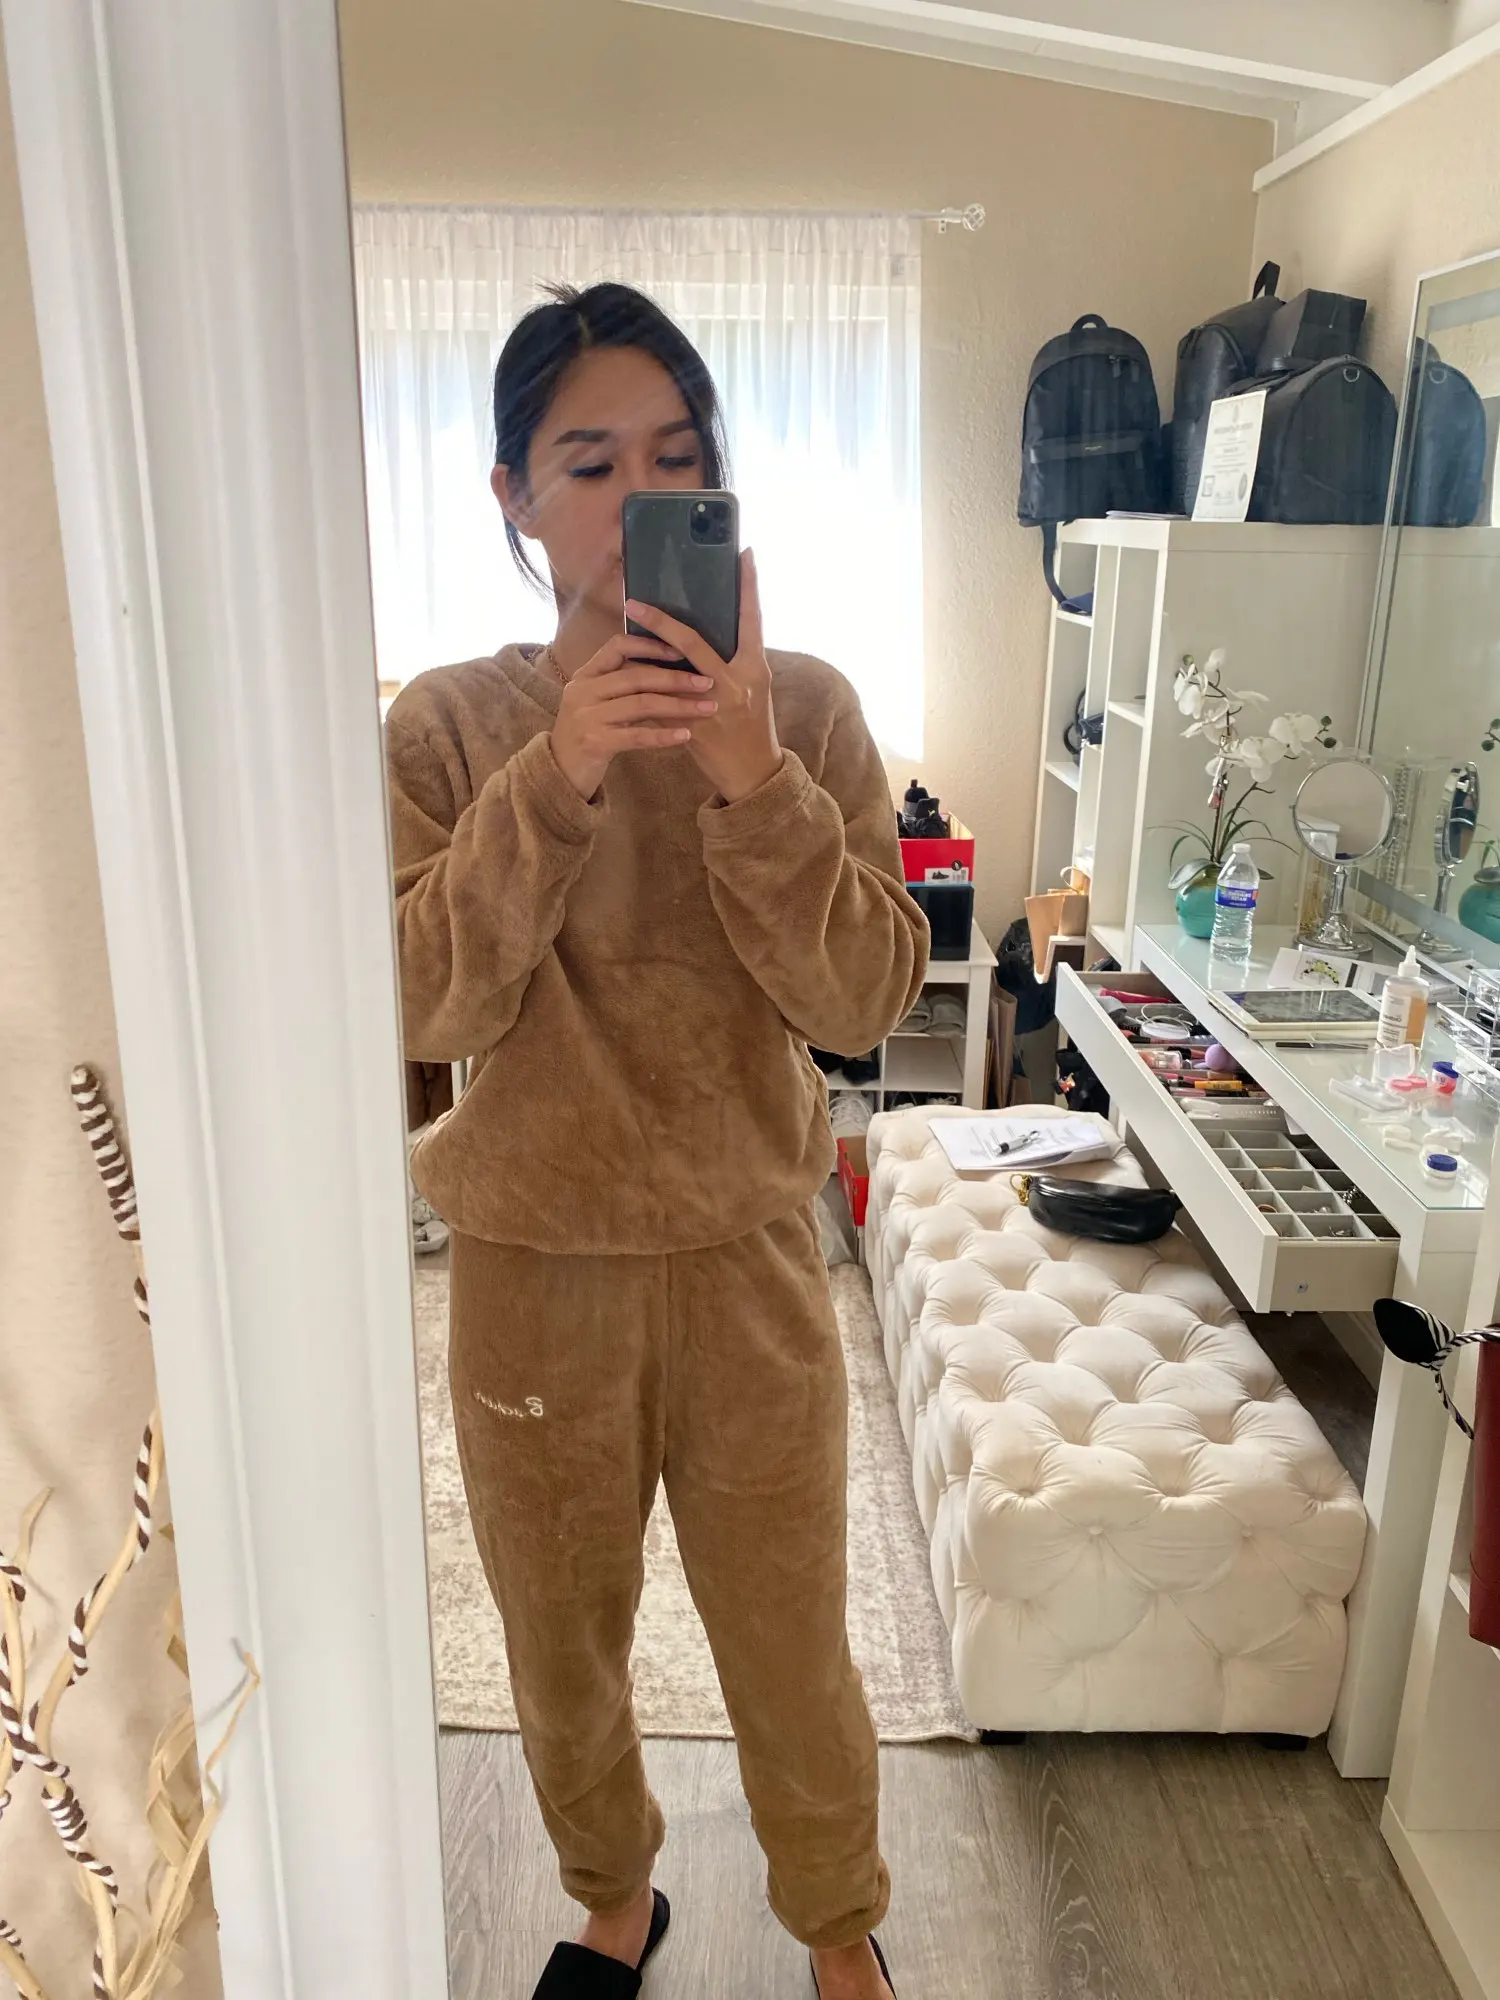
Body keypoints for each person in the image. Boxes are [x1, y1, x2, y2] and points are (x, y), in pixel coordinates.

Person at [385, 282, 928, 2000]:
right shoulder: (446, 727)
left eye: (678, 458)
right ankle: (611, 1902)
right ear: (513, 495)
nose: (640, 497)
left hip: (752, 1260)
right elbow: (421, 1002)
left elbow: (866, 999)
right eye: (592, 461)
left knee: (791, 1641)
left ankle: (839, 1929)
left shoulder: (807, 709)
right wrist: (555, 777)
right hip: (531, 1274)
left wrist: (757, 780)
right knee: (559, 1644)